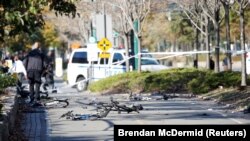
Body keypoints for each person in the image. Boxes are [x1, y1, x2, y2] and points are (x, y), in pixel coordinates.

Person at [23, 41, 47, 106]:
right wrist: (43, 71)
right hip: (38, 71)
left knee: (31, 84)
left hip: (29, 70)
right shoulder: (41, 54)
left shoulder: (29, 53)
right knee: (37, 84)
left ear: (34, 46)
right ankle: (37, 99)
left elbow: (24, 62)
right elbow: (45, 64)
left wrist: (25, 71)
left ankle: (31, 99)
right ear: (39, 47)